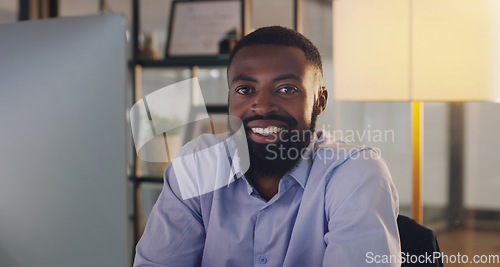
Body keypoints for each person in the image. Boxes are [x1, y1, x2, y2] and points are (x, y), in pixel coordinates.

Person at [134, 26, 400, 266]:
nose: (262, 106)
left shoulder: (355, 172)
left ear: (320, 100)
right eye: (245, 90)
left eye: (286, 89)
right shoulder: (198, 164)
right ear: (229, 98)